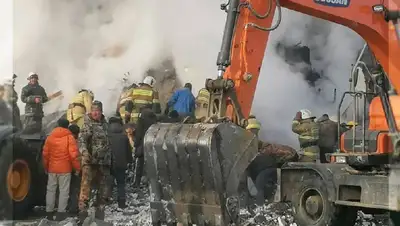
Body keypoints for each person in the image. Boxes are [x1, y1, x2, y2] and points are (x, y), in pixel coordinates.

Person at [78, 100, 111, 221]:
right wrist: (84, 152)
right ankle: (83, 214)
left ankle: (100, 215)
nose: (95, 113)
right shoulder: (87, 124)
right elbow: (81, 141)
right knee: (86, 188)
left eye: (97, 111)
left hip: (104, 163)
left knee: (104, 190)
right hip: (90, 162)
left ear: (101, 112)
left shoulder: (105, 125)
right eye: (93, 111)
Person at [42, 118, 81, 220]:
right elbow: (74, 155)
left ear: (57, 125)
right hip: (65, 169)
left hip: (52, 169)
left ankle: (49, 212)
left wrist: (45, 167)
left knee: (50, 190)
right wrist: (77, 168)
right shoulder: (69, 138)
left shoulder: (50, 137)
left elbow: (45, 154)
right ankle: (60, 214)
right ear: (67, 126)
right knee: (64, 191)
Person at [108, 116, 133, 209]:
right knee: (121, 183)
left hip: (109, 163)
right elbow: (128, 151)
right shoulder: (124, 136)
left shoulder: (106, 135)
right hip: (121, 163)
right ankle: (121, 202)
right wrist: (129, 161)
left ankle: (107, 200)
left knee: (108, 182)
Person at [133, 108, 158, 188]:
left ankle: (137, 182)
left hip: (142, 145)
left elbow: (139, 134)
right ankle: (151, 183)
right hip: (152, 145)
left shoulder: (141, 120)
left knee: (139, 164)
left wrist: (136, 144)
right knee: (152, 164)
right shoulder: (155, 120)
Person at [67, 123, 81, 214]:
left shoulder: (65, 140)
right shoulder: (78, 142)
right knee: (75, 189)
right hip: (75, 169)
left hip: (65, 168)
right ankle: (74, 208)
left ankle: (66, 207)